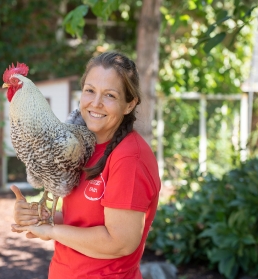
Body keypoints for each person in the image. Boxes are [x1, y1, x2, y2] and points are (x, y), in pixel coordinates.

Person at [11, 51, 161, 278]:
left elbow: (119, 242)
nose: (96, 103)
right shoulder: (83, 145)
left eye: (109, 95)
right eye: (90, 91)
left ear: (129, 104)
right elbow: (79, 223)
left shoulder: (129, 158)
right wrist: (37, 217)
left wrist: (52, 230)